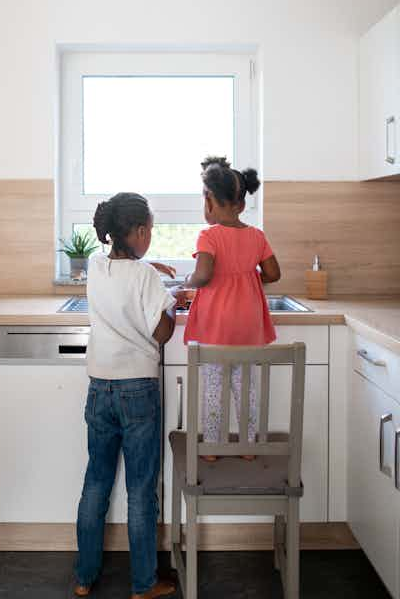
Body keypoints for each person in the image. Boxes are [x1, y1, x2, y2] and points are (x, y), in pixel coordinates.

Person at [74, 192, 181, 599]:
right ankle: (143, 584)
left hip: (99, 388)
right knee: (140, 489)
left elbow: (124, 277)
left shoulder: (96, 268)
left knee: (95, 483)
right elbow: (163, 331)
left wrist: (149, 271)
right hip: (137, 390)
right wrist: (172, 304)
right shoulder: (147, 279)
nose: (150, 235)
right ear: (138, 232)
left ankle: (84, 577)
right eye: (150, 230)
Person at [183, 156, 281, 461]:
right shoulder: (256, 236)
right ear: (241, 204)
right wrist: (250, 280)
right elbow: (274, 274)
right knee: (246, 390)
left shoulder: (209, 236)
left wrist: (188, 280)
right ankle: (249, 447)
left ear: (209, 200)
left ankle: (212, 448)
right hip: (248, 326)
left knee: (214, 389)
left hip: (218, 327)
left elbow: (203, 274)